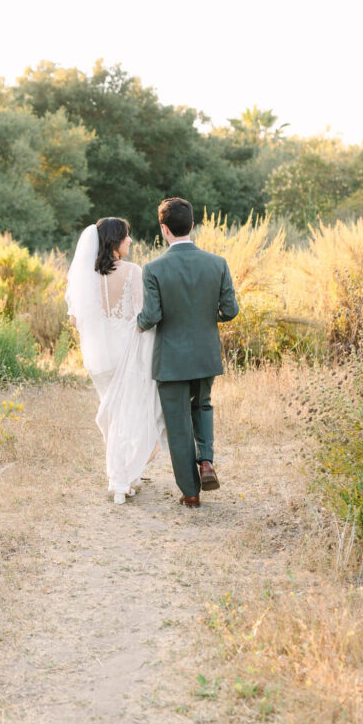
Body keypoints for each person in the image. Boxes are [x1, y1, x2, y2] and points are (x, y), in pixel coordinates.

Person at [136, 197, 239, 508]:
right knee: (203, 406)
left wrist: (137, 325)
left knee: (178, 422)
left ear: (164, 230)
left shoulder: (153, 268)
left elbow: (151, 317)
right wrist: (206, 317)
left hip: (170, 359)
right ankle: (206, 462)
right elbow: (230, 310)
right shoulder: (217, 263)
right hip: (205, 354)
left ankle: (191, 493)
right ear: (193, 226)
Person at [65, 217, 165, 505]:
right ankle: (120, 479)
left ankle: (124, 476)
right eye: (127, 236)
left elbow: (75, 320)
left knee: (112, 414)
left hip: (99, 356)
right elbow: (141, 314)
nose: (130, 241)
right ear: (114, 241)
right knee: (129, 415)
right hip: (125, 352)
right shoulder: (133, 272)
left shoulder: (86, 275)